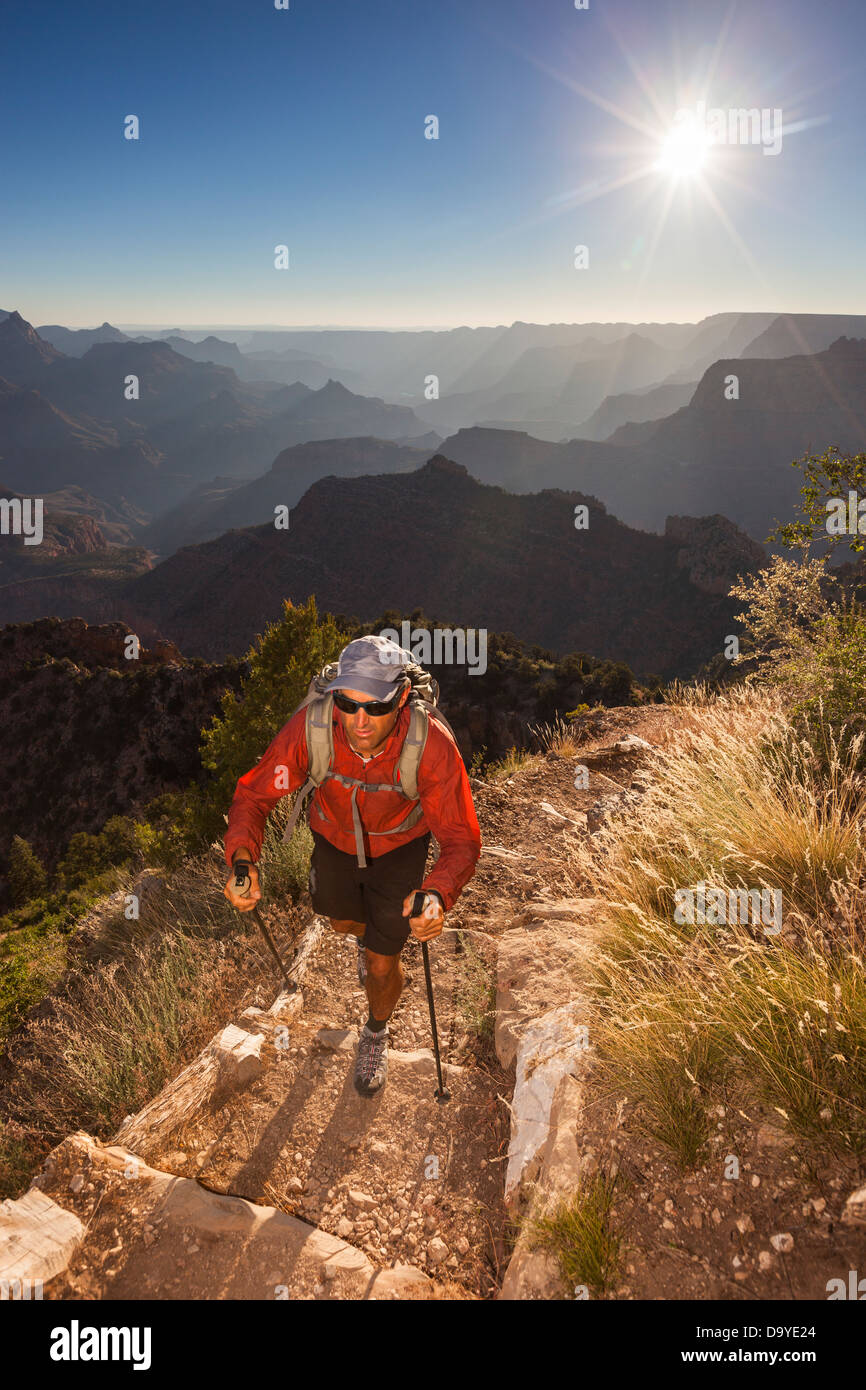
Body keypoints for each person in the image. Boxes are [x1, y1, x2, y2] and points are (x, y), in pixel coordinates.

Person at [223, 634, 481, 1096]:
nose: (360, 721)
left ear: (401, 698)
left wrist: (438, 893)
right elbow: (256, 793)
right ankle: (366, 935)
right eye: (347, 701)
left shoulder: (430, 747)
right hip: (333, 842)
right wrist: (244, 858)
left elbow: (460, 838)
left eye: (376, 707)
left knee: (382, 965)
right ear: (335, 695)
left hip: (399, 850)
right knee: (341, 921)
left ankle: (376, 1031)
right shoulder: (313, 730)